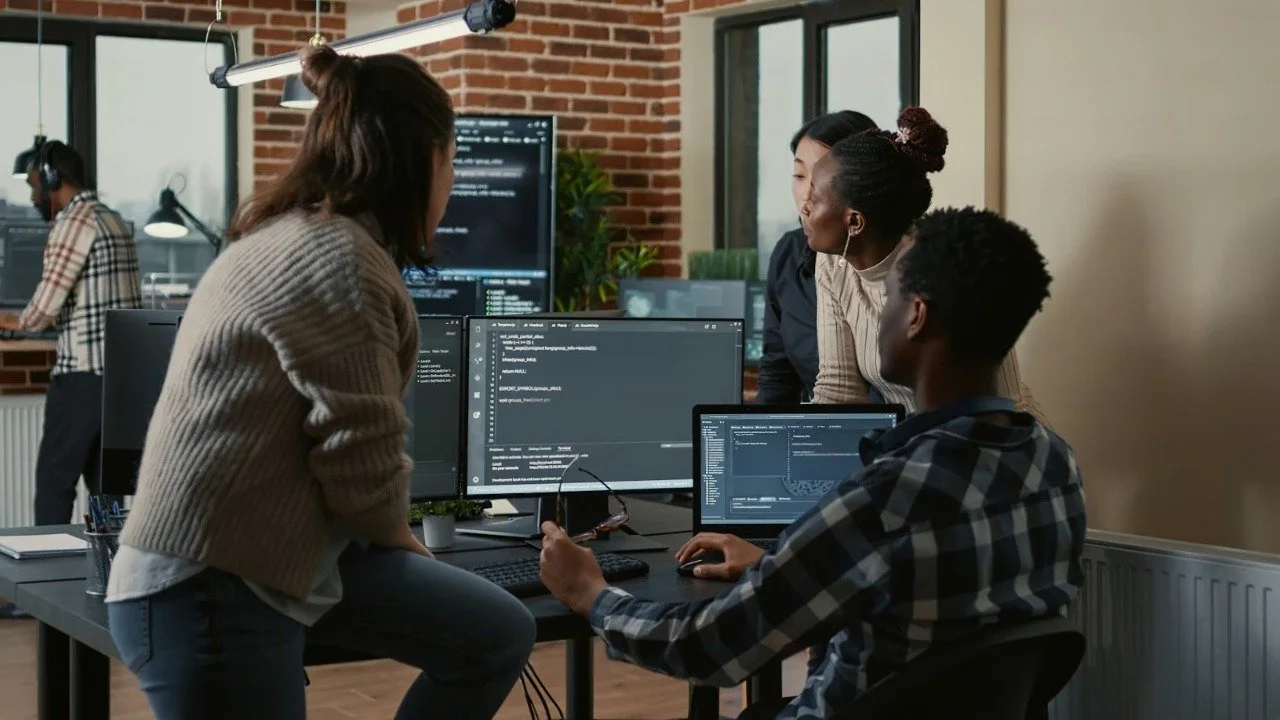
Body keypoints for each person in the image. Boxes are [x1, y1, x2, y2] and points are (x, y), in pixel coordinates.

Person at [105, 46, 536, 720]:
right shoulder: (340, 260)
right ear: (419, 157)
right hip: (208, 586)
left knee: (496, 631)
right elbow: (361, 466)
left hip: (263, 561)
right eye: (451, 160)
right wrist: (416, 548)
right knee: (490, 631)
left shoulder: (298, 237)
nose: (451, 184)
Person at [538, 207, 1087, 719]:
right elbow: (929, 591)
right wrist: (774, 564)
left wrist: (592, 595)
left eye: (888, 298)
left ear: (916, 315)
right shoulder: (1054, 463)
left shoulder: (888, 496)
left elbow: (706, 646)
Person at [805, 107, 1044, 417]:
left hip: (991, 441)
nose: (805, 206)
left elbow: (1002, 401)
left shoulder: (945, 266)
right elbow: (838, 392)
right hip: (919, 442)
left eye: (815, 194)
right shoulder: (832, 262)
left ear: (855, 222)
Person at [0, 140, 142, 525]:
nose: (32, 196)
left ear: (52, 179)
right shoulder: (113, 219)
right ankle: (106, 573)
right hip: (118, 380)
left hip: (82, 377)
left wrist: (11, 321)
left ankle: (46, 574)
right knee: (105, 488)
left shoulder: (74, 222)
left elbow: (42, 311)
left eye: (34, 185)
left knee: (53, 483)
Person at [758, 111, 878, 404]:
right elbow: (778, 371)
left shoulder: (900, 264)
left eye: (823, 178)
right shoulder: (789, 253)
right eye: (799, 175)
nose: (806, 195)